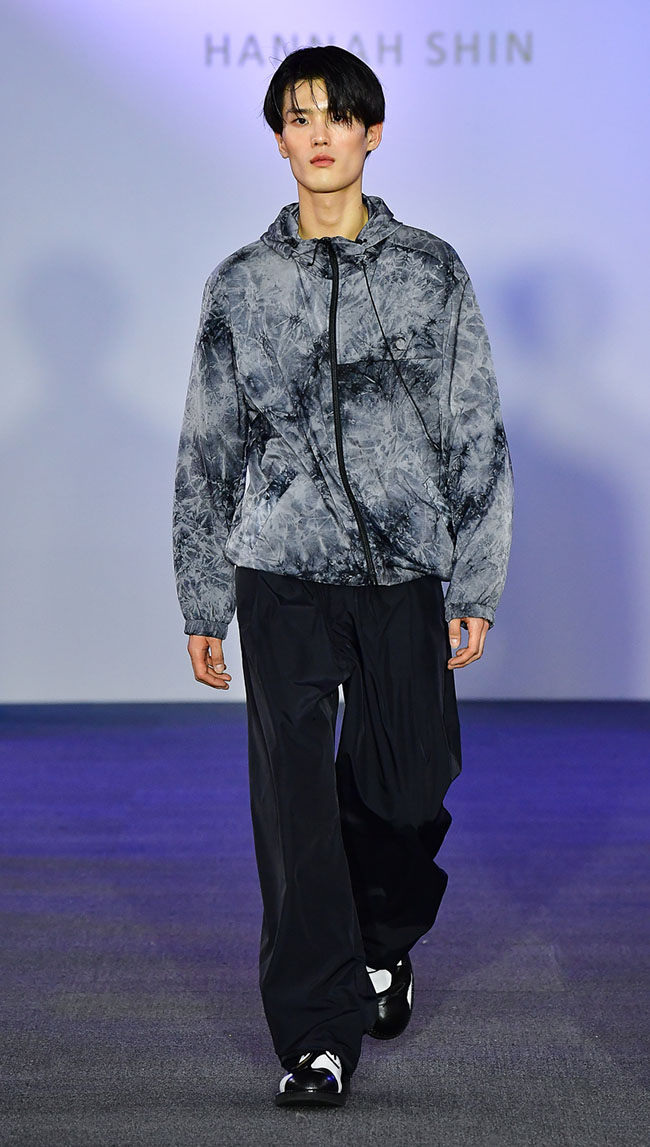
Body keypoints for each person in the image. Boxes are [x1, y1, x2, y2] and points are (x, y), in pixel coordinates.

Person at [173, 45, 514, 1108]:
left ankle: (381, 938)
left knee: (408, 787)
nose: (318, 133)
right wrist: (203, 595)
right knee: (291, 804)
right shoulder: (241, 283)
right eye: (298, 116)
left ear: (372, 132)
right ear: (279, 138)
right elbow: (208, 447)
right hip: (280, 568)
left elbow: (475, 431)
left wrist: (474, 581)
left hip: (402, 569)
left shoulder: (430, 272)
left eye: (337, 115)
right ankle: (317, 1037)